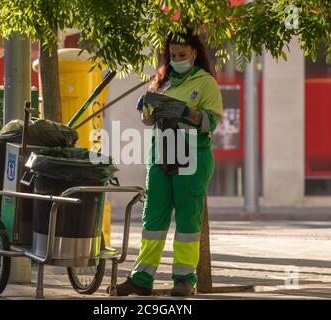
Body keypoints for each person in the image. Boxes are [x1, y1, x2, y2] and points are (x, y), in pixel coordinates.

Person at [112, 28, 223, 296]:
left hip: (192, 158)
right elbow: (148, 120)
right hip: (161, 156)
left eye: (182, 54)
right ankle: (142, 278)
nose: (177, 59)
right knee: (153, 218)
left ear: (194, 53)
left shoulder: (206, 83)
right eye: (173, 55)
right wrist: (145, 107)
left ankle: (185, 280)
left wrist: (189, 113)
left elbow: (212, 122)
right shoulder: (162, 81)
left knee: (187, 220)